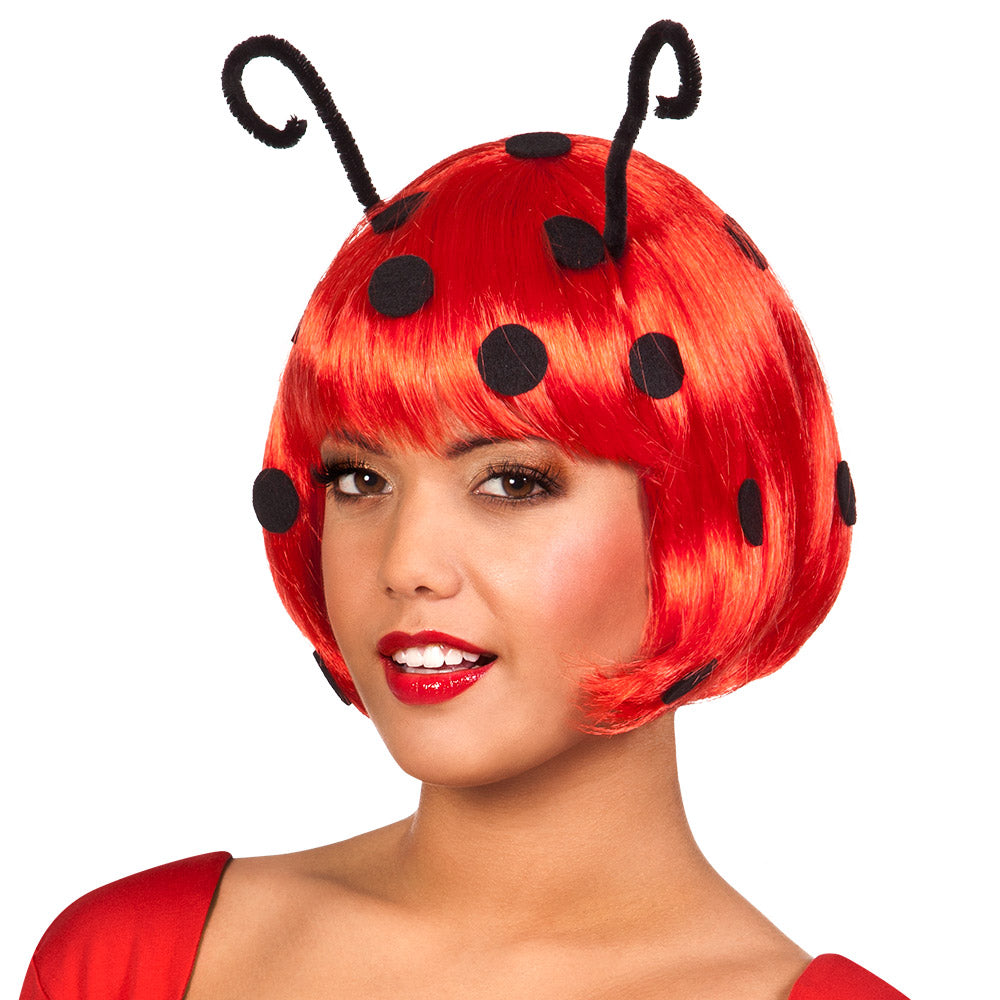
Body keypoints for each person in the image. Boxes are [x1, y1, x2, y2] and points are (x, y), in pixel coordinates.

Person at [20, 20, 908, 1000]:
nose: (406, 562)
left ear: (699, 510)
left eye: (512, 482)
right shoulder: (133, 961)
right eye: (359, 479)